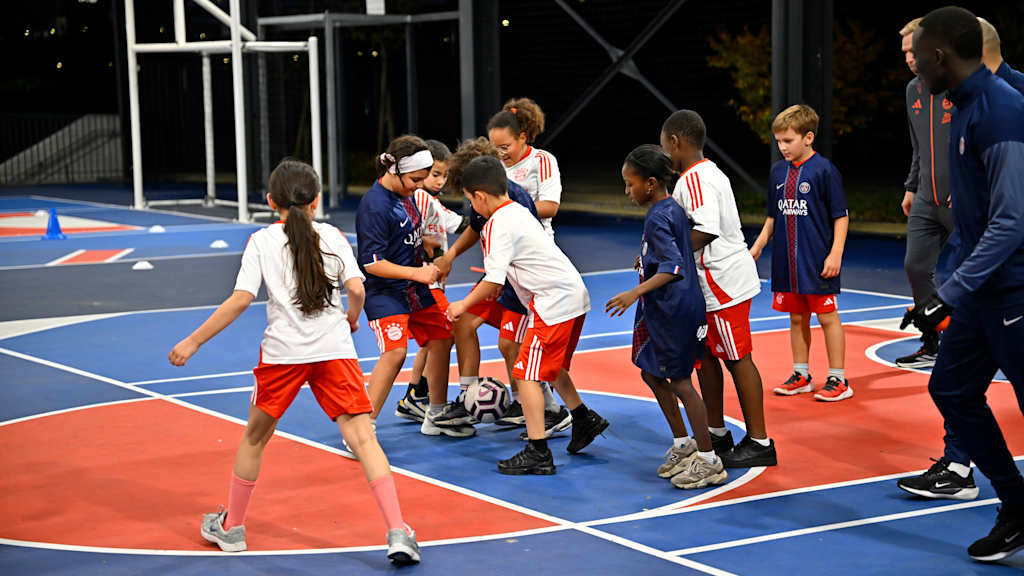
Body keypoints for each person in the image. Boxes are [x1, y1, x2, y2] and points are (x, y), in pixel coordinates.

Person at [168, 159, 420, 564]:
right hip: (334, 349)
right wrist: (351, 318)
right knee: (363, 440)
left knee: (255, 438)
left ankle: (232, 528)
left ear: (271, 202)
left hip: (283, 355)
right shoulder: (333, 236)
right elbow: (357, 288)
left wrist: (193, 341)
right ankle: (398, 532)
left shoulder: (261, 242)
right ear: (316, 202)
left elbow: (240, 299)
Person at [909, 6, 1024, 562]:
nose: (913, 67)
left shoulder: (1001, 110)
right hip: (981, 291)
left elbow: (1010, 221)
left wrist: (946, 294)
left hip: (1016, 290)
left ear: (939, 56)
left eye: (917, 56)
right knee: (951, 390)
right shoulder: (962, 106)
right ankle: (1019, 507)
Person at [447, 156, 606, 475]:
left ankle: (538, 451)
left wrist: (462, 305)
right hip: (571, 294)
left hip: (553, 302)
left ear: (479, 196)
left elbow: (492, 278)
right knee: (552, 366)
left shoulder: (495, 224)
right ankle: (584, 418)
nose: (471, 207)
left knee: (526, 373)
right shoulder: (519, 210)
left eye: (469, 199)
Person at [660, 110, 777, 468]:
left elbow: (706, 229)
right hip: (713, 284)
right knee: (707, 357)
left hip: (721, 283)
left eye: (666, 145)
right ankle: (716, 430)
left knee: (737, 358)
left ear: (676, 142)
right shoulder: (706, 173)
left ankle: (759, 442)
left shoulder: (694, 179)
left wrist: (667, 256)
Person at [606, 145, 727, 489]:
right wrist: (646, 258)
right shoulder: (670, 207)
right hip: (667, 307)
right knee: (651, 374)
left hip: (673, 309)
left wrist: (634, 293)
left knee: (681, 383)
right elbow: (671, 249)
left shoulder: (659, 215)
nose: (627, 191)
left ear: (650, 183)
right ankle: (682, 443)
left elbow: (673, 267)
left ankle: (708, 459)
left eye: (630, 184)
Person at [356, 136, 463, 437]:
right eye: (415, 179)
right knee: (395, 353)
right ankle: (362, 428)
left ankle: (437, 413)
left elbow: (405, 235)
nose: (420, 185)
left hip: (414, 288)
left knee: (443, 336)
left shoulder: (409, 196)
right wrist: (417, 274)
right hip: (385, 291)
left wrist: (427, 244)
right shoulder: (375, 206)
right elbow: (372, 263)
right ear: (395, 171)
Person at [750, 104, 851, 402]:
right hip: (787, 263)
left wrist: (835, 254)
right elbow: (773, 216)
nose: (782, 147)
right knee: (796, 317)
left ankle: (838, 378)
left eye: (788, 141)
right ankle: (801, 374)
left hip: (817, 260)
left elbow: (841, 216)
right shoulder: (777, 171)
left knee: (828, 317)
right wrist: (758, 245)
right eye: (778, 141)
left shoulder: (824, 170)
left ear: (808, 137)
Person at [895, 16, 955, 371]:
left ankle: (985, 341)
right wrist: (910, 186)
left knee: (979, 273)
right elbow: (919, 148)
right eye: (903, 52)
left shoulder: (958, 87)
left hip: (961, 200)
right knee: (916, 267)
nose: (908, 58)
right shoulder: (912, 91)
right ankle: (931, 342)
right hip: (925, 199)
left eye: (912, 51)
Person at [395, 140, 464, 424]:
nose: (440, 180)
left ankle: (415, 395)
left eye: (444, 175)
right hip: (424, 282)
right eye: (435, 173)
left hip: (432, 280)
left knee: (431, 342)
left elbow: (456, 224)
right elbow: (459, 225)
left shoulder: (430, 201)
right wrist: (432, 249)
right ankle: (433, 404)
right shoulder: (418, 197)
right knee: (443, 336)